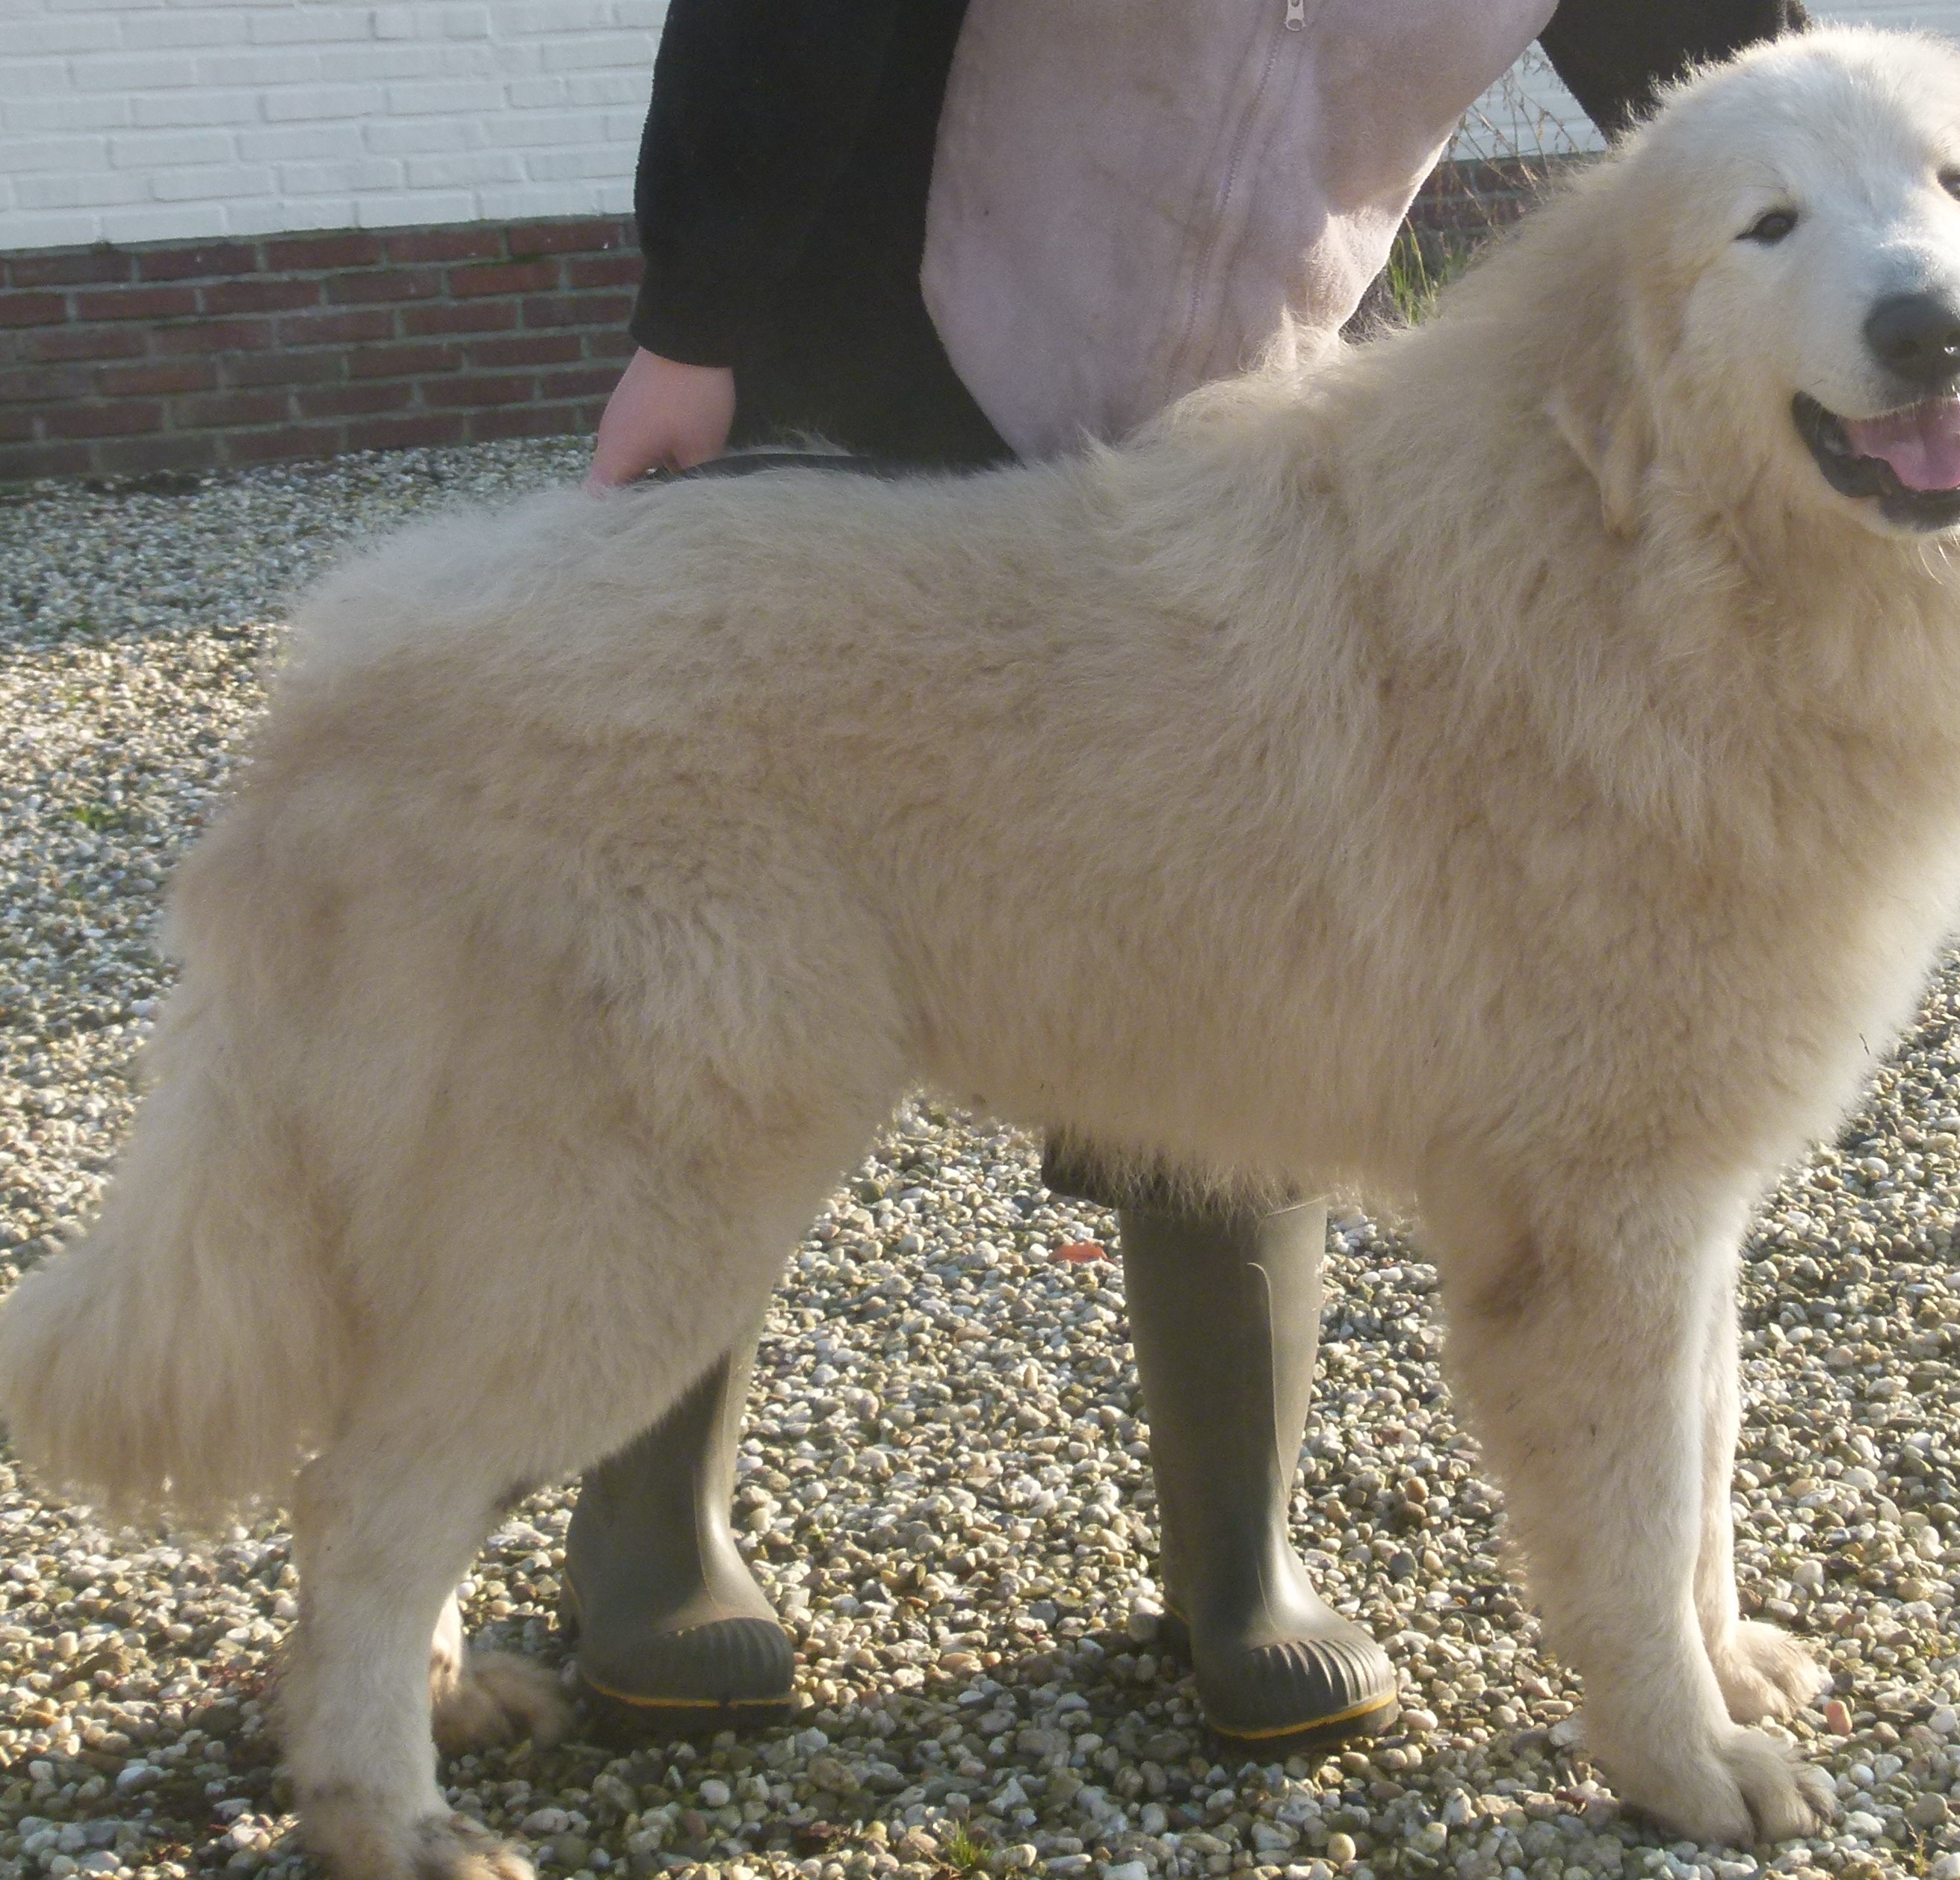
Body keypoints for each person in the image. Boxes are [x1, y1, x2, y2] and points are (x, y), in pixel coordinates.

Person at [571, 0, 1810, 1754]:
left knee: (1261, 937)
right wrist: (692, 328)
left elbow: (1749, 100)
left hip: (1246, 396)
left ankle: (1238, 1555)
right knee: (737, 967)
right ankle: (649, 1530)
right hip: (877, 341)